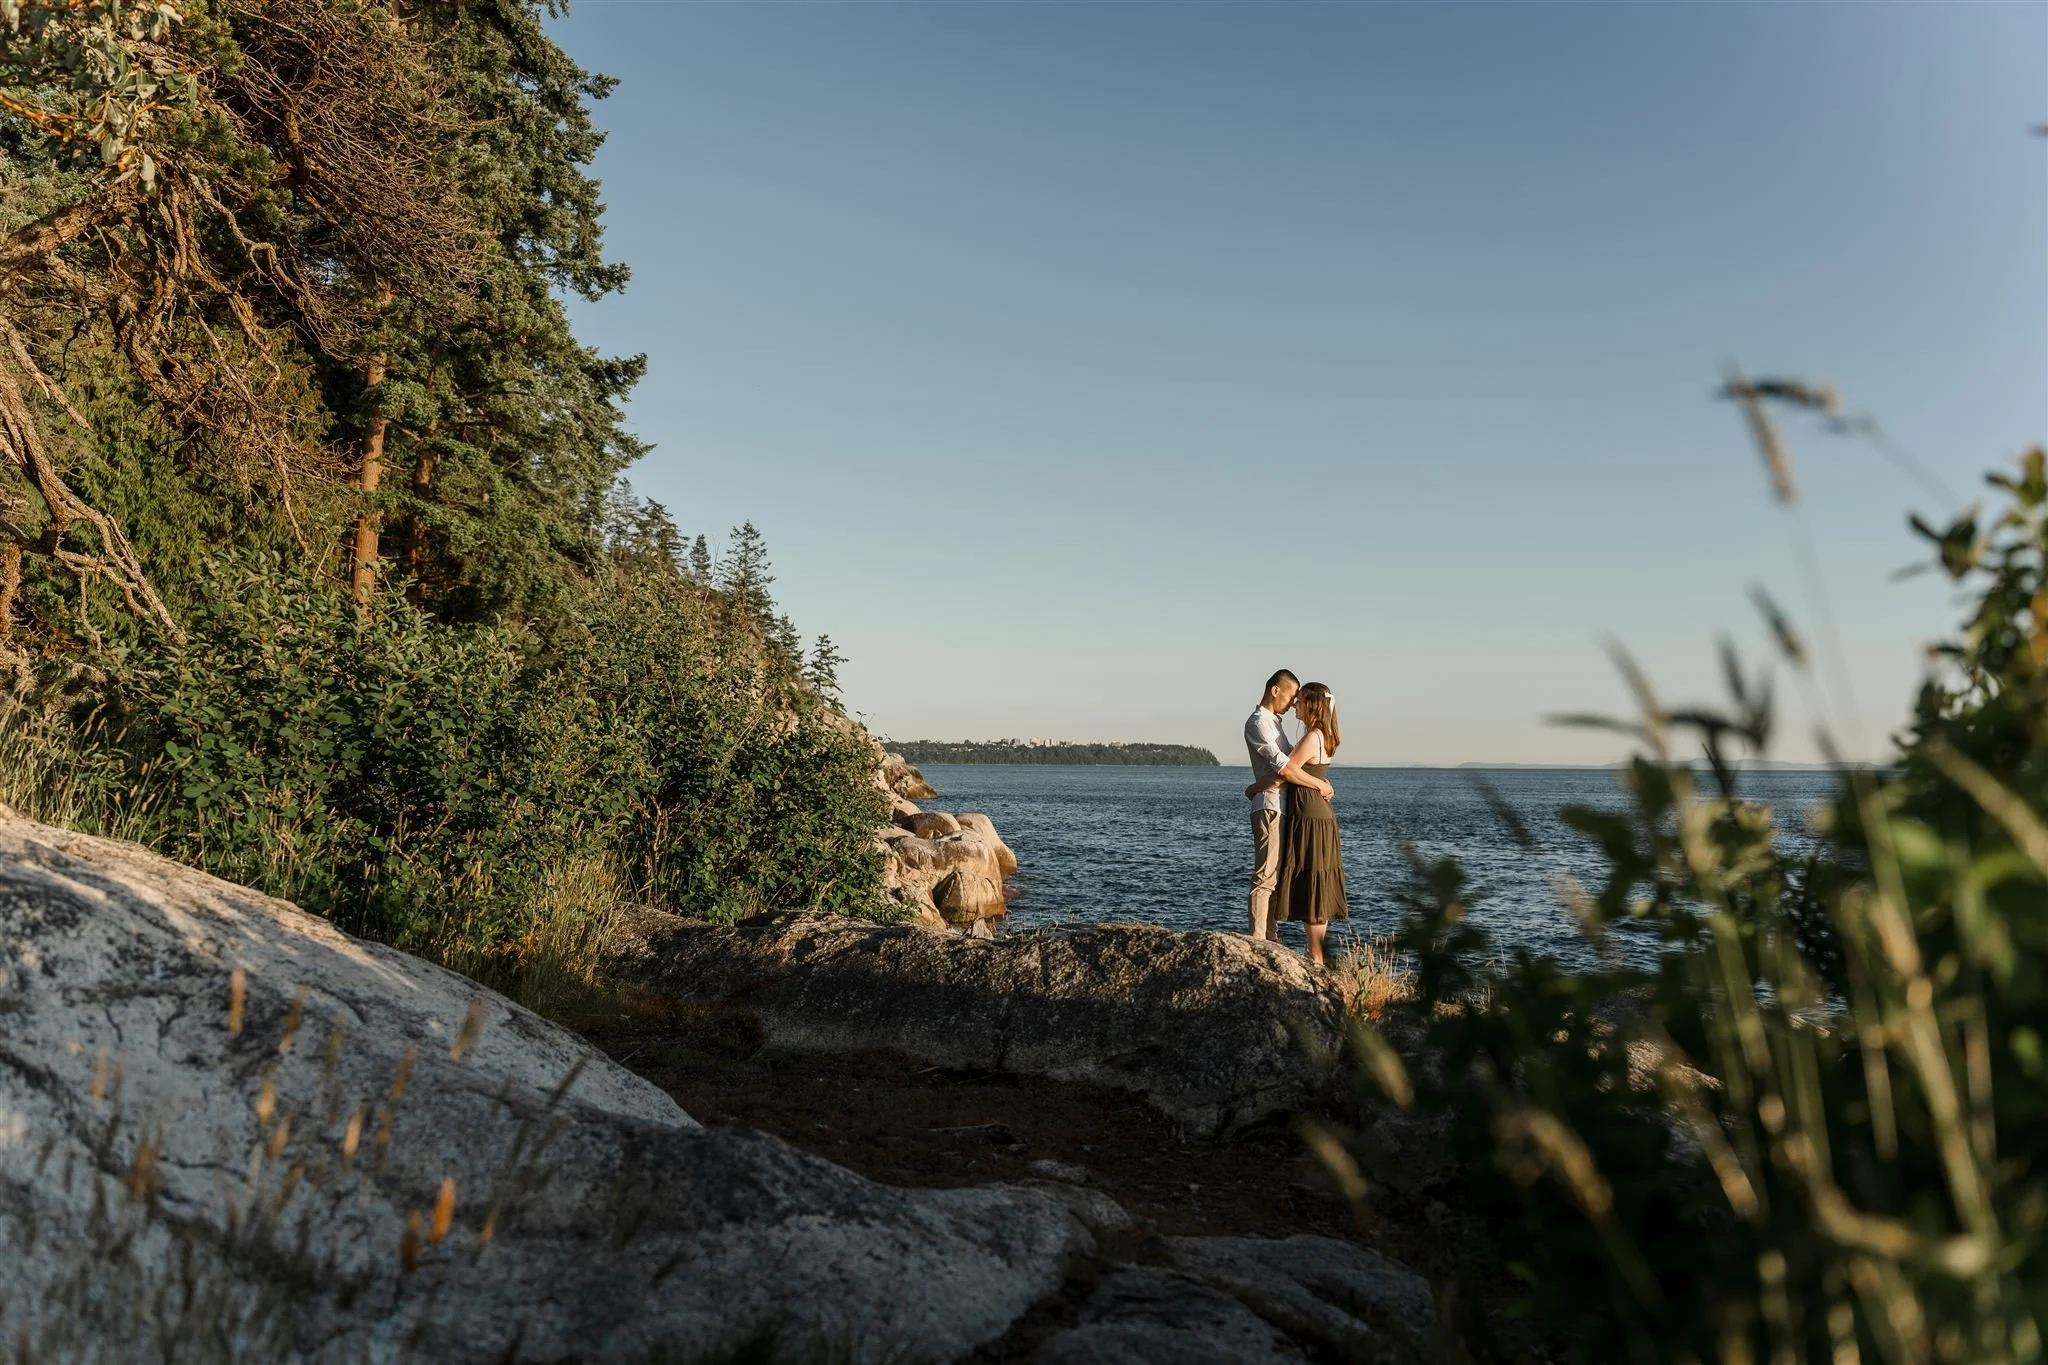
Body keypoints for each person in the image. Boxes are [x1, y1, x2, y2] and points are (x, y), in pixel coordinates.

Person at [1242, 669, 1332, 941]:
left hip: (1282, 806)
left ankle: (1270, 936)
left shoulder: (1274, 723)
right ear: (1275, 690)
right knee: (1266, 875)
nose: (1294, 703)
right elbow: (1285, 768)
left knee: (1277, 876)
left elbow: (1293, 764)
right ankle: (1259, 940)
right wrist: (1320, 785)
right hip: (1270, 806)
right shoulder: (1259, 723)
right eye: (1292, 695)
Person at [1264, 681, 1348, 965]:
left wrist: (1255, 788)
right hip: (1319, 814)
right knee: (1317, 882)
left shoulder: (1313, 737)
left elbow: (1286, 771)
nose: (1295, 704)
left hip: (1310, 816)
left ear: (1311, 704)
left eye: (1299, 700)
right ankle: (1317, 954)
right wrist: (1321, 783)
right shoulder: (1326, 737)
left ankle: (1314, 955)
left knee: (1313, 881)